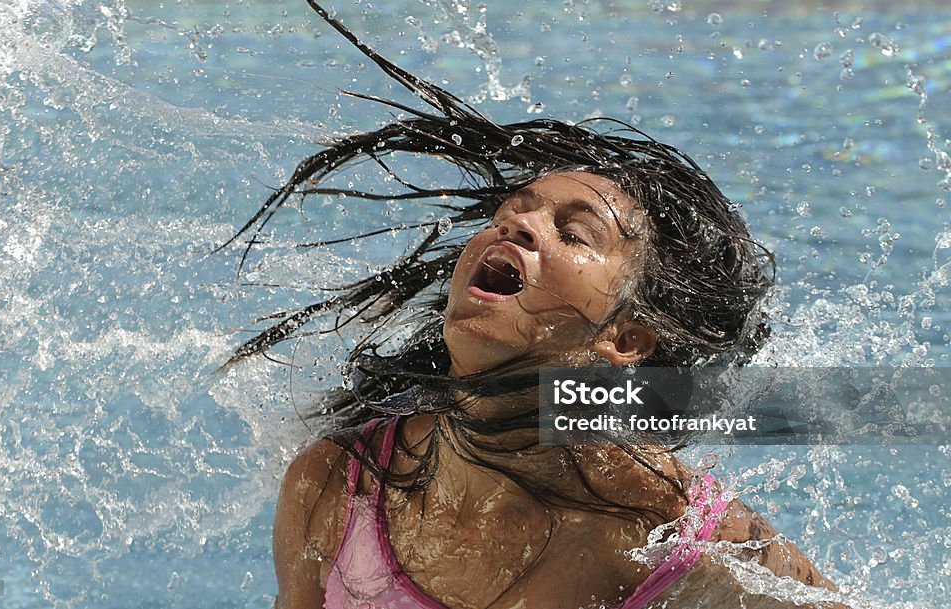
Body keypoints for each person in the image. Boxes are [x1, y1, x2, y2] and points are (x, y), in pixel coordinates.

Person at [228, 1, 848, 607]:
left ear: (626, 338)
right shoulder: (337, 489)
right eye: (509, 214)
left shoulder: (673, 538)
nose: (516, 228)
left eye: (575, 234)